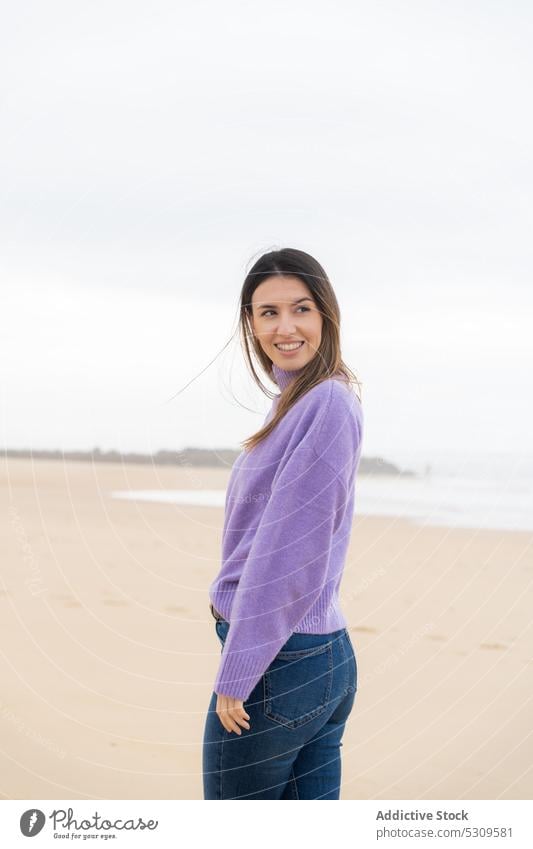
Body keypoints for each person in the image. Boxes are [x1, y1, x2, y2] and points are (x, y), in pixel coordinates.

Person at [202, 247, 364, 800]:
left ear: (327, 316)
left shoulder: (326, 403)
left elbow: (291, 549)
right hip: (309, 657)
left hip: (281, 660)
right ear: (250, 322)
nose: (285, 326)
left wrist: (240, 668)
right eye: (268, 312)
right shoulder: (297, 401)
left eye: (301, 309)